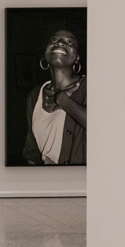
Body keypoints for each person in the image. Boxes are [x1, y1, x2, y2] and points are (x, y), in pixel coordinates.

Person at [24, 27, 86, 165]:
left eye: (70, 42)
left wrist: (63, 100)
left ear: (77, 58)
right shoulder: (34, 95)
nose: (60, 43)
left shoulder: (90, 86)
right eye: (54, 40)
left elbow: (105, 127)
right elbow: (31, 150)